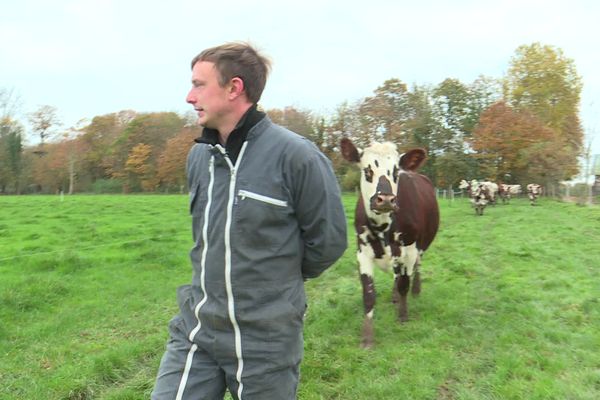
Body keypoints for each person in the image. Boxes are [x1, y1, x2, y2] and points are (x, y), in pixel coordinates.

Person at [151, 42, 348, 400]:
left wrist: (274, 282)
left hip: (266, 341)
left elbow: (328, 243)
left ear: (234, 88)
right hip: (198, 328)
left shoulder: (298, 156)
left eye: (198, 84)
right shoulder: (199, 157)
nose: (188, 96)